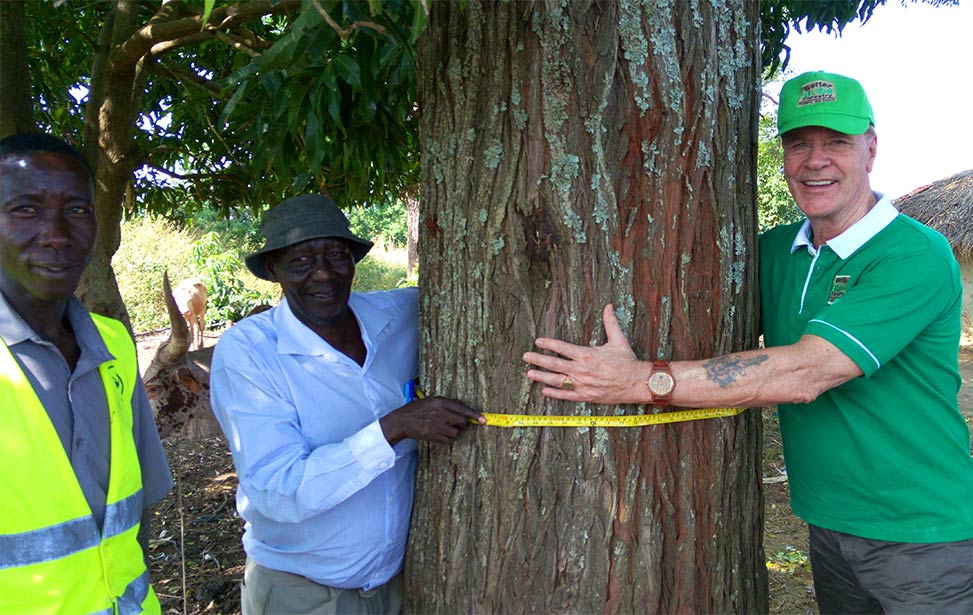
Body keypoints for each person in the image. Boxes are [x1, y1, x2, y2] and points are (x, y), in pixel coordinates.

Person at [523, 71, 973, 614]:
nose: (815, 160)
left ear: (871, 149)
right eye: (798, 143)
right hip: (827, 521)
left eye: (836, 142)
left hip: (921, 532)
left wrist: (640, 380)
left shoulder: (912, 254)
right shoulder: (776, 249)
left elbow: (804, 373)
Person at [210, 194, 485, 615]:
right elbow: (277, 490)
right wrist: (394, 427)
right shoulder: (250, 352)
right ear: (272, 270)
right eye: (300, 262)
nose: (324, 274)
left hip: (401, 588)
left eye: (337, 256)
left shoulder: (398, 315)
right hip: (301, 595)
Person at [0, 132, 173, 613]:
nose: (57, 233)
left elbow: (134, 514)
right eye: (26, 210)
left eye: (76, 210)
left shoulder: (113, 343)